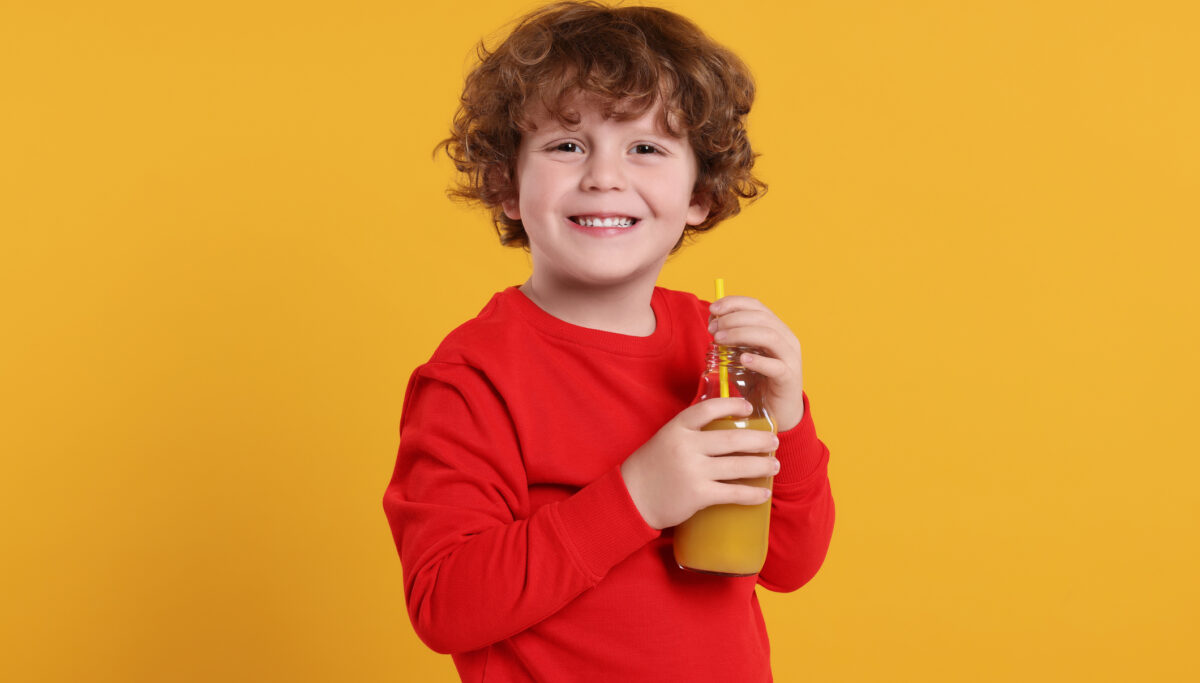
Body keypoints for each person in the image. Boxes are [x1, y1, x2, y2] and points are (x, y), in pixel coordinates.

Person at [382, 2, 834, 680]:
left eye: (646, 147)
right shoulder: (473, 375)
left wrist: (789, 421)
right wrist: (639, 496)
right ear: (508, 183)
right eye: (567, 144)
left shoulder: (714, 350)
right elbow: (445, 602)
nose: (603, 176)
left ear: (699, 195)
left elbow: (790, 562)